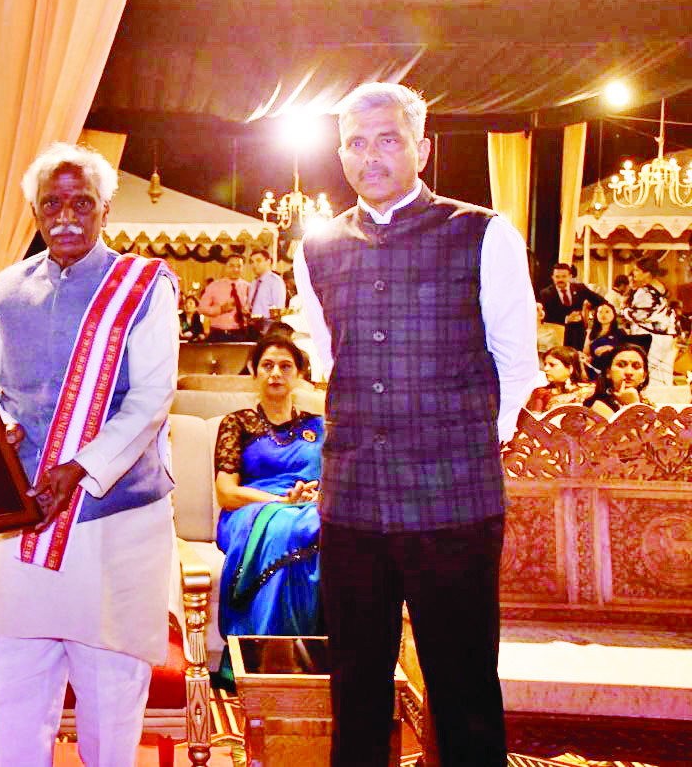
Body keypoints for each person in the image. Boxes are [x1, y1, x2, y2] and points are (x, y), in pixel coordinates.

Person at [294, 82, 540, 767]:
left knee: (463, 696)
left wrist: (454, 448)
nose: (370, 156)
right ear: (341, 153)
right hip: (352, 502)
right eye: (355, 142)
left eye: (388, 139)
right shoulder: (316, 246)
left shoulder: (482, 231)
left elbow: (517, 367)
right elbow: (328, 358)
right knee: (358, 693)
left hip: (454, 502)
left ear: (422, 147)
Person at [0, 141, 178, 767]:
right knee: (16, 690)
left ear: (106, 208)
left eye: (82, 203)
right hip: (21, 515)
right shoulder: (2, 292)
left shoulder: (144, 285)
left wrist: (80, 468)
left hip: (115, 516)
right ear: (34, 211)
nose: (66, 217)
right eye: (52, 203)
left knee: (111, 697)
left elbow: (153, 396)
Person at [213, 336, 321, 683]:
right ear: (254, 372)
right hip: (250, 511)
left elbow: (335, 480)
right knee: (285, 529)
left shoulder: (319, 427)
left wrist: (313, 492)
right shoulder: (237, 423)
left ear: (300, 373)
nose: (276, 373)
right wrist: (278, 502)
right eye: (267, 365)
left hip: (309, 507)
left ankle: (317, 655)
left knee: (328, 527)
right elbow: (227, 494)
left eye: (286, 366)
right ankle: (267, 660)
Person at [622, 256, 678, 387]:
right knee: (665, 371)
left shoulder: (643, 292)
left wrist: (624, 310)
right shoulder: (661, 288)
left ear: (646, 273)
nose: (633, 273)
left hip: (651, 335)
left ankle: (651, 402)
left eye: (636, 270)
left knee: (651, 371)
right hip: (667, 334)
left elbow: (638, 315)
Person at [198, 253, 251, 341]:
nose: (235, 269)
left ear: (243, 268)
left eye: (239, 266)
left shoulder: (249, 287)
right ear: (225, 267)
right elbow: (201, 308)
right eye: (231, 266)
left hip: (241, 334)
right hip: (218, 334)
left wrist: (247, 312)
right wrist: (220, 309)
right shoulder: (214, 286)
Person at [585, 343, 650, 415]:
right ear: (608, 372)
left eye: (636, 366)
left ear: (644, 376)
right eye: (621, 365)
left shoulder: (648, 404)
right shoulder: (598, 406)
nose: (629, 372)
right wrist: (633, 406)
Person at [525, 346, 592, 412]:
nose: (546, 369)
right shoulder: (540, 393)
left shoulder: (587, 393)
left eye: (552, 365)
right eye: (545, 364)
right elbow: (533, 419)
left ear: (570, 368)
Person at [537, 262, 604, 327]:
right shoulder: (545, 293)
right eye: (557, 277)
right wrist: (567, 319)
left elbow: (600, 302)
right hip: (556, 332)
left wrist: (592, 314)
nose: (560, 280)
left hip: (578, 332)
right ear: (553, 277)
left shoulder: (580, 288)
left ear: (570, 277)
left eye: (564, 276)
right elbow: (544, 316)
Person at [248, 250, 287, 321]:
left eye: (258, 261)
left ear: (268, 262)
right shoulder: (253, 283)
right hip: (253, 325)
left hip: (268, 325)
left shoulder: (275, 281)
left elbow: (279, 308)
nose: (254, 264)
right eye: (252, 262)